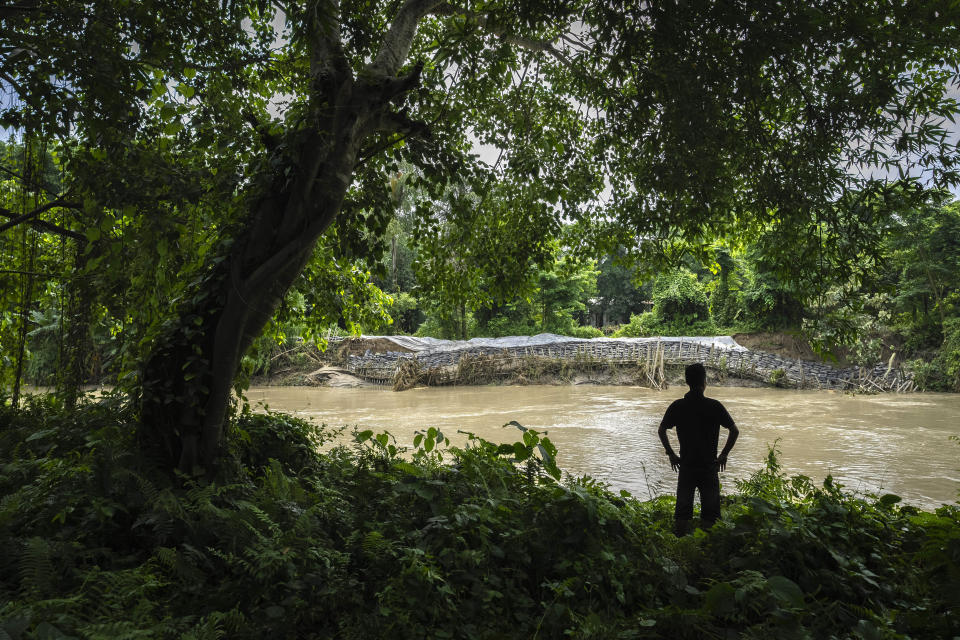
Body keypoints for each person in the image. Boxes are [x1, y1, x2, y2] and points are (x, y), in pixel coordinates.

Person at [658, 362, 739, 536]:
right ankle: (706, 548)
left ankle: (680, 544)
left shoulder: (678, 406)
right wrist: (724, 454)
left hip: (686, 465)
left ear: (687, 382)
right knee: (710, 513)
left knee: (682, 511)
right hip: (709, 466)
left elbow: (661, 429)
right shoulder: (714, 406)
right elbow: (734, 430)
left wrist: (671, 453)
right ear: (704, 382)